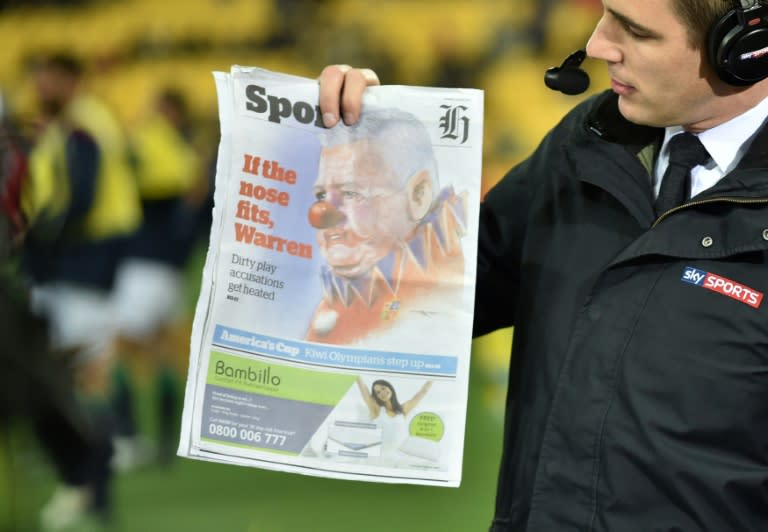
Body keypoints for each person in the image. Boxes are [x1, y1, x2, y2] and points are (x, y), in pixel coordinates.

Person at [318, 0, 768, 529]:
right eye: (606, 14)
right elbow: (429, 293)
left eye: (637, 33)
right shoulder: (586, 145)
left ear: (745, 49)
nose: (599, 45)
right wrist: (364, 138)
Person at [306, 106, 468, 344]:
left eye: (351, 192)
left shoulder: (440, 296)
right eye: (321, 196)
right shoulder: (336, 306)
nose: (321, 215)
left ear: (418, 195)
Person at [355, 376, 432, 454]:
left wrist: (433, 375)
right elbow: (363, 388)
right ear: (377, 397)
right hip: (380, 457)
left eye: (383, 388)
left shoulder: (403, 409)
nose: (382, 392)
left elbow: (423, 391)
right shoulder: (376, 410)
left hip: (398, 457)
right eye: (378, 392)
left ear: (390, 387)